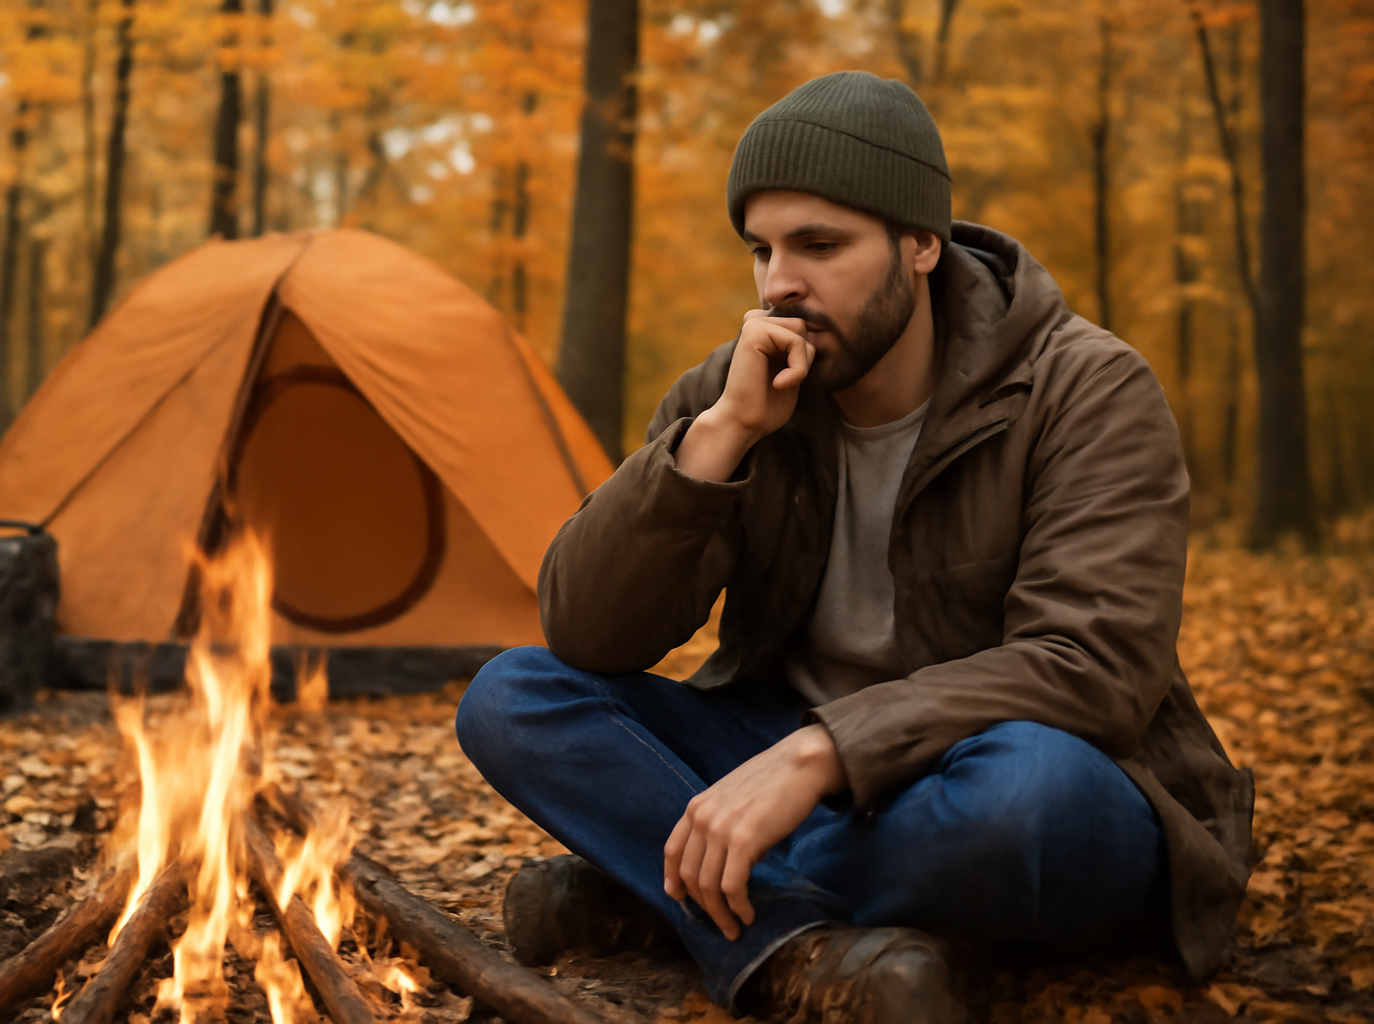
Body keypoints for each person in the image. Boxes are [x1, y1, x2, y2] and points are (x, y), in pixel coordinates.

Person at [455, 71, 1254, 1024]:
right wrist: (716, 444)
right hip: (795, 756)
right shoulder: (737, 390)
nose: (780, 281)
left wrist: (820, 755)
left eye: (820, 245)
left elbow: (1095, 668)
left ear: (922, 244)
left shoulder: (1084, 389)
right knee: (512, 696)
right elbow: (587, 631)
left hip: (1008, 770)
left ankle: (661, 893)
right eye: (762, 249)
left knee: (1024, 804)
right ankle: (785, 931)